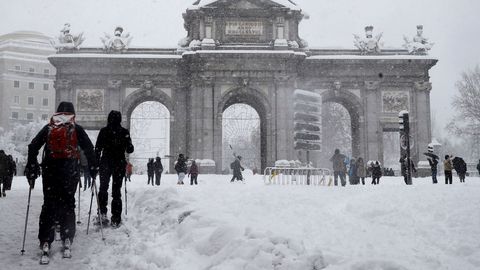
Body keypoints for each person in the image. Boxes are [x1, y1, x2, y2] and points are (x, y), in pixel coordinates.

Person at [24, 102, 97, 259]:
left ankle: (45, 240)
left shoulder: (49, 127)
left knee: (49, 204)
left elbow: (33, 146)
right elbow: (89, 149)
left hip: (50, 170)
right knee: (68, 203)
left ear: (57, 112)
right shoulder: (76, 128)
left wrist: (32, 164)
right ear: (72, 113)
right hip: (69, 171)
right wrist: (93, 168)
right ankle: (67, 236)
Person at [95, 110, 134, 227]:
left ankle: (102, 213)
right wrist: (128, 143)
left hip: (105, 163)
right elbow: (130, 150)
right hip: (119, 163)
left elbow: (97, 149)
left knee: (103, 189)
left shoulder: (103, 131)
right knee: (116, 192)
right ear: (120, 119)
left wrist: (95, 164)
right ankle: (116, 218)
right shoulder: (124, 132)